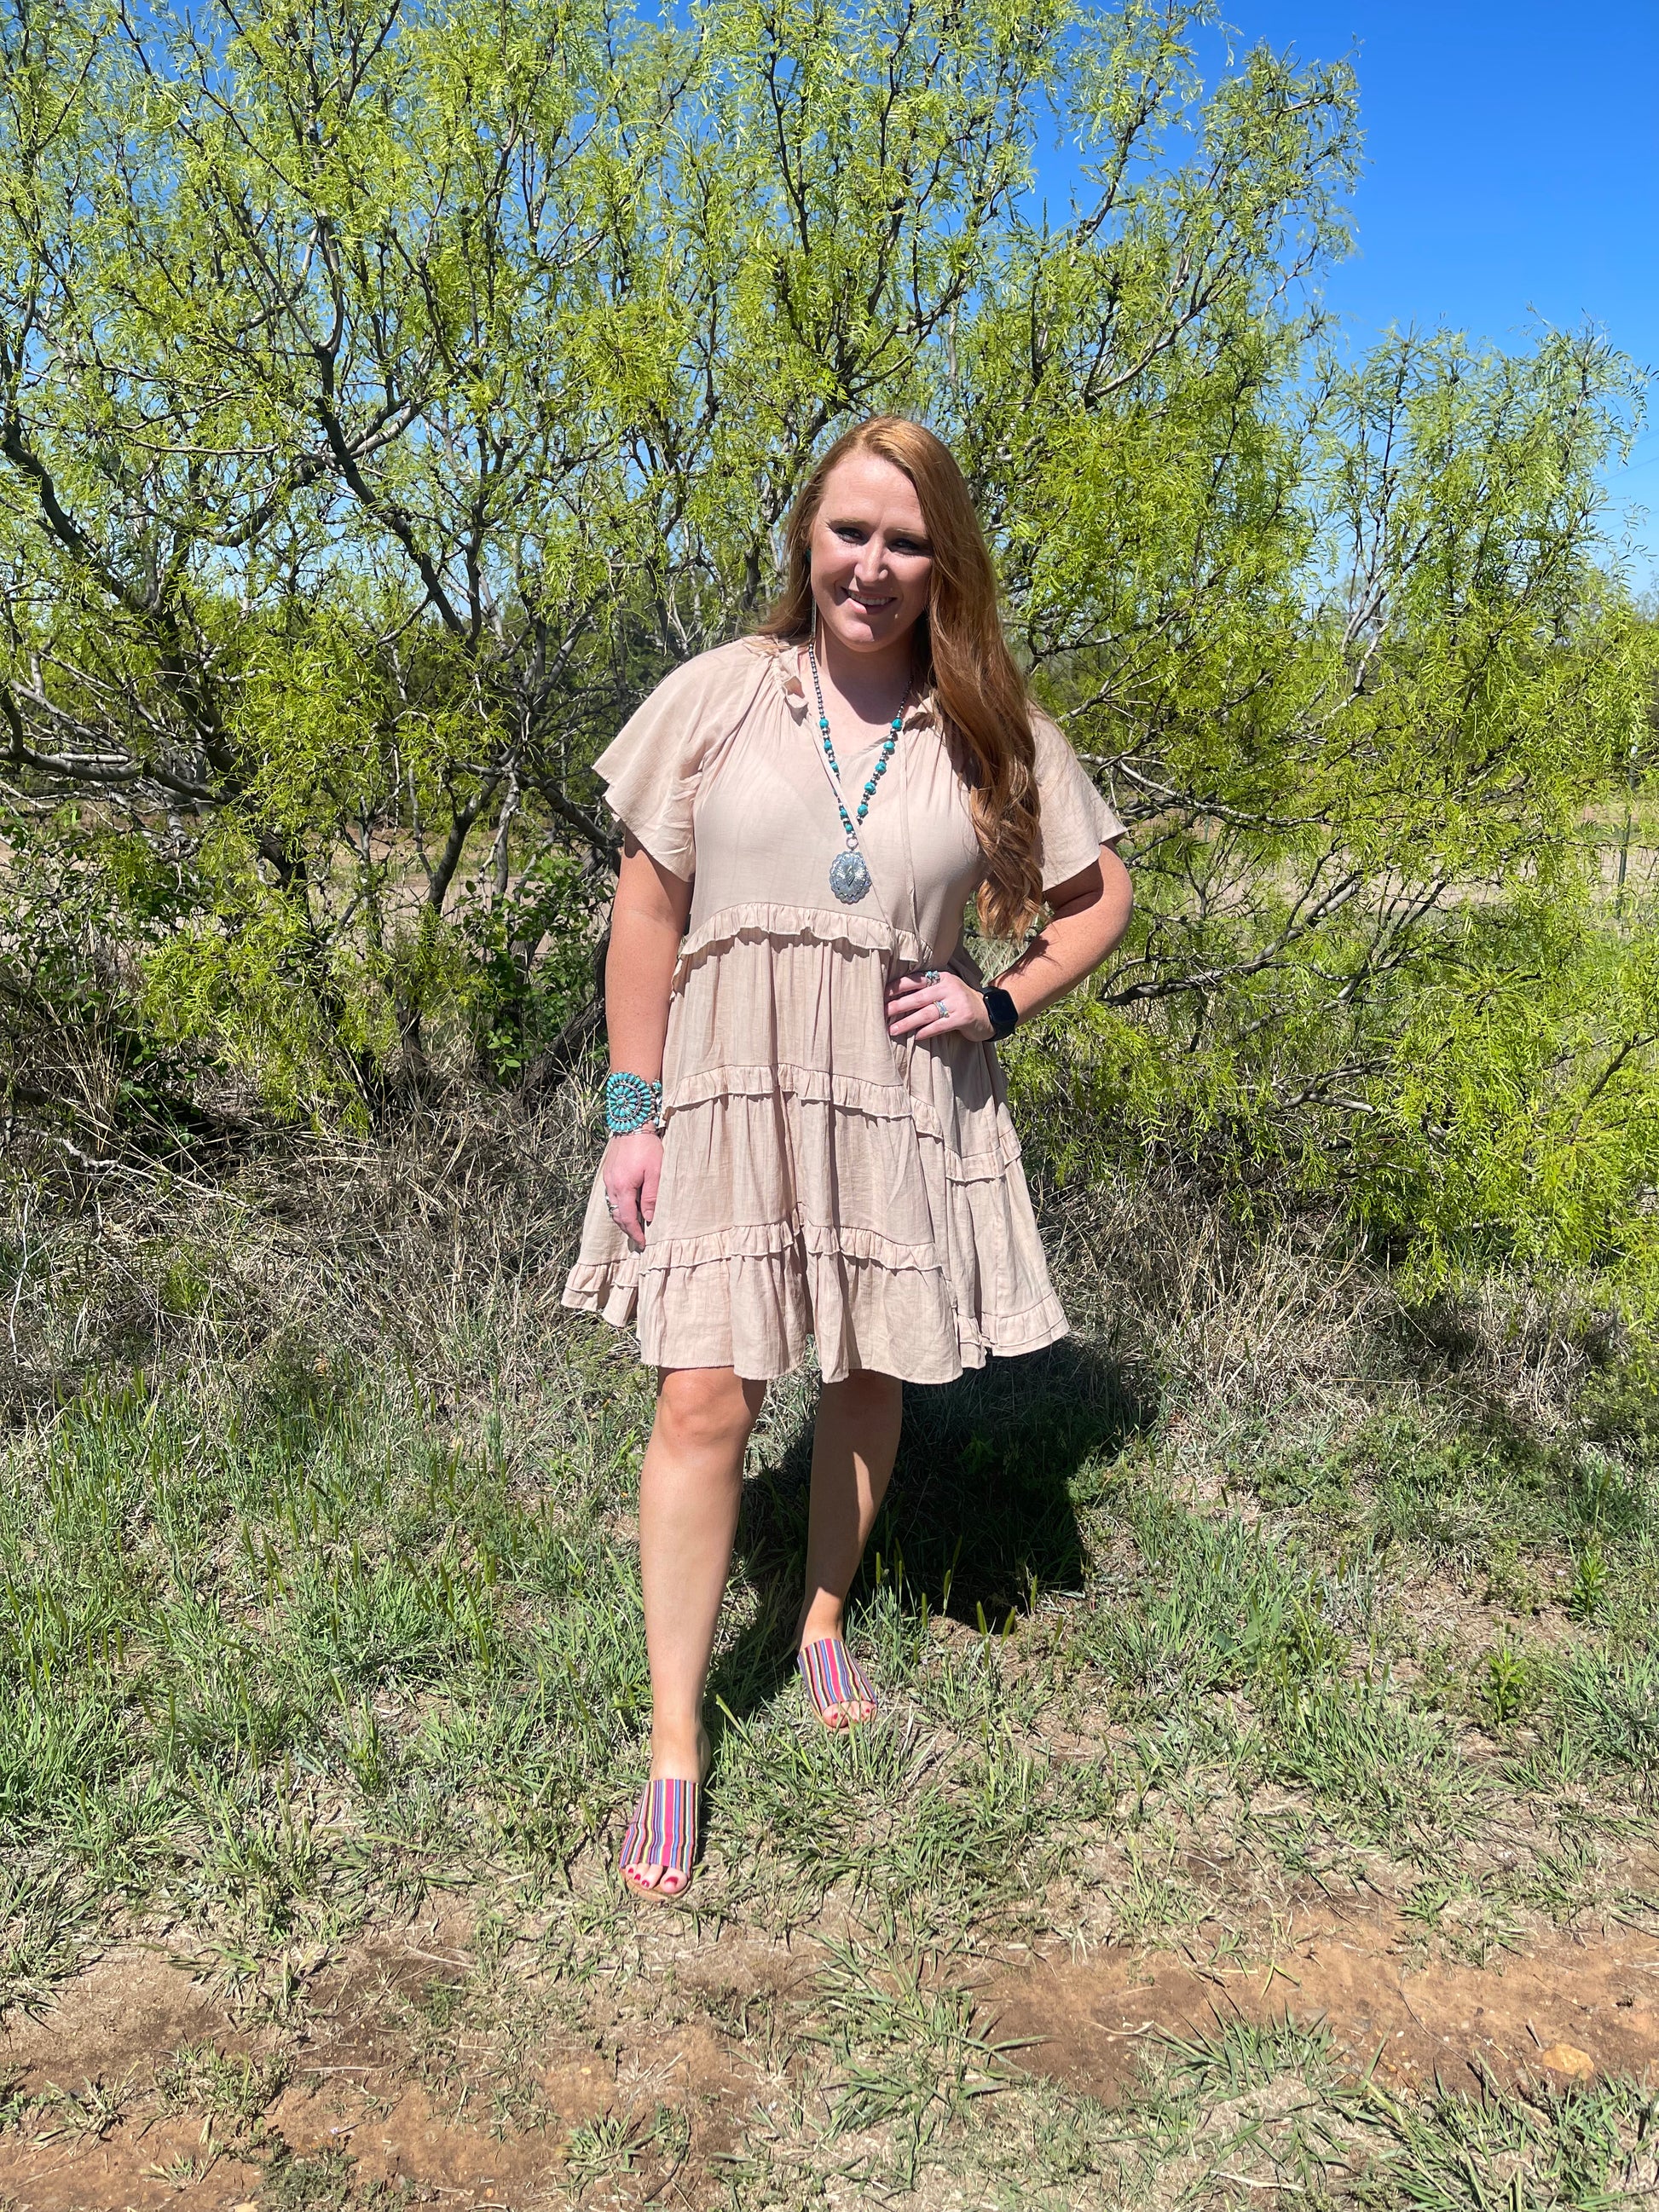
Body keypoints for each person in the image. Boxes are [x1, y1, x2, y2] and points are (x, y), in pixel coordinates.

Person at [562, 416, 1133, 1897]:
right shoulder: (721, 697)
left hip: (893, 1096)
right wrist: (635, 1111)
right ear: (806, 537)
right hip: (727, 1089)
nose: (870, 566)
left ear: (944, 560)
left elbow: (1097, 896)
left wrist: (992, 998)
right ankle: (677, 1743)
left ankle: (817, 1617)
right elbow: (645, 912)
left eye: (904, 540)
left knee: (865, 1371)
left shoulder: (989, 731)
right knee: (704, 1399)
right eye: (847, 532)